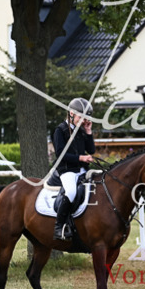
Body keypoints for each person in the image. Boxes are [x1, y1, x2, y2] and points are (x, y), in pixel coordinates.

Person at [52, 97, 96, 241]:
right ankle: (59, 227)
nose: (84, 121)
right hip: (67, 170)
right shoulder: (60, 130)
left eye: (86, 118)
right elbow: (60, 154)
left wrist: (88, 132)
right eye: (81, 117)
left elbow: (91, 150)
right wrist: (81, 158)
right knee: (71, 192)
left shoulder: (82, 130)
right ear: (71, 113)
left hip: (82, 170)